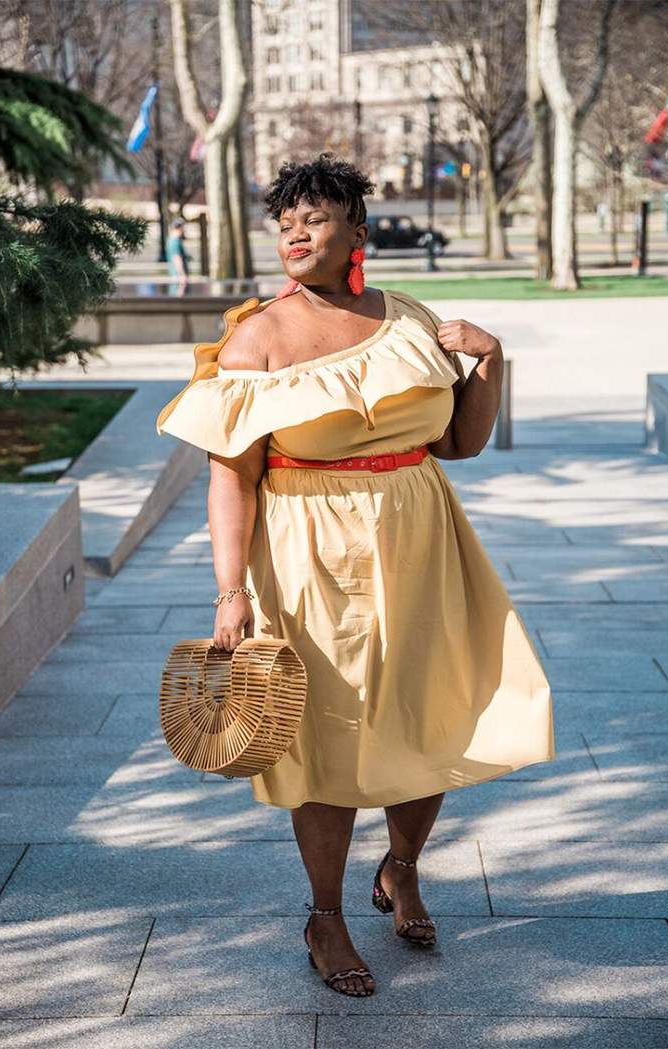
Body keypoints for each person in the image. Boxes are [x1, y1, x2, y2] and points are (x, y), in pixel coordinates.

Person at [156, 153, 555, 999]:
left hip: (421, 534)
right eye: (285, 221)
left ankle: (401, 869)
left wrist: (489, 364)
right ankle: (326, 915)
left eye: (316, 218)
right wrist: (232, 594)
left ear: (358, 234)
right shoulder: (257, 336)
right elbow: (231, 475)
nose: (296, 232)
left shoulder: (411, 319)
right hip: (309, 551)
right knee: (327, 737)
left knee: (433, 714)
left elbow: (460, 443)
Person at [166, 217, 189, 294]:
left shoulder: (172, 240)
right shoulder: (174, 242)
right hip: (178, 278)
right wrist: (182, 275)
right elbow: (177, 259)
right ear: (180, 227)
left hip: (176, 277)